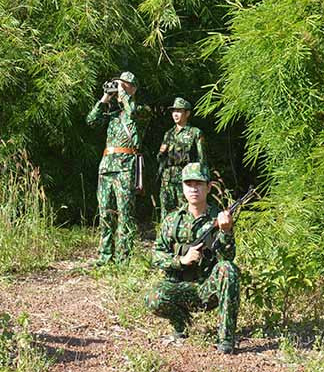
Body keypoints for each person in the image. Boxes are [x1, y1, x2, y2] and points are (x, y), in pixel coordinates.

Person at [145, 163, 240, 354]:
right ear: (182, 187)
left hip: (207, 288)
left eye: (199, 184)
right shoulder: (172, 220)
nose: (194, 189)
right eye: (189, 184)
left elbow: (227, 257)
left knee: (229, 269)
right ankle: (182, 325)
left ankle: (226, 339)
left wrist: (226, 231)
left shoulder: (218, 218)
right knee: (153, 297)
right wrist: (181, 260)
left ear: (209, 187)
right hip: (180, 288)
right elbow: (156, 254)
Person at [86, 71, 143, 265]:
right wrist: (105, 97)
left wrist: (124, 96)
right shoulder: (112, 114)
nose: (120, 87)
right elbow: (91, 121)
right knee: (105, 212)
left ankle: (124, 258)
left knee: (125, 213)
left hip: (126, 168)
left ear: (133, 88)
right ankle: (105, 256)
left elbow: (133, 113)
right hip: (107, 167)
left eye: (125, 84)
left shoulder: (140, 111)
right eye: (119, 84)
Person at [157, 98, 206, 219]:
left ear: (187, 113)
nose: (175, 114)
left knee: (185, 210)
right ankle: (166, 236)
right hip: (167, 178)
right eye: (173, 111)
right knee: (166, 211)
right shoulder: (168, 134)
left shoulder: (195, 133)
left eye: (179, 111)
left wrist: (201, 180)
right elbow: (160, 157)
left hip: (186, 178)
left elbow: (202, 159)